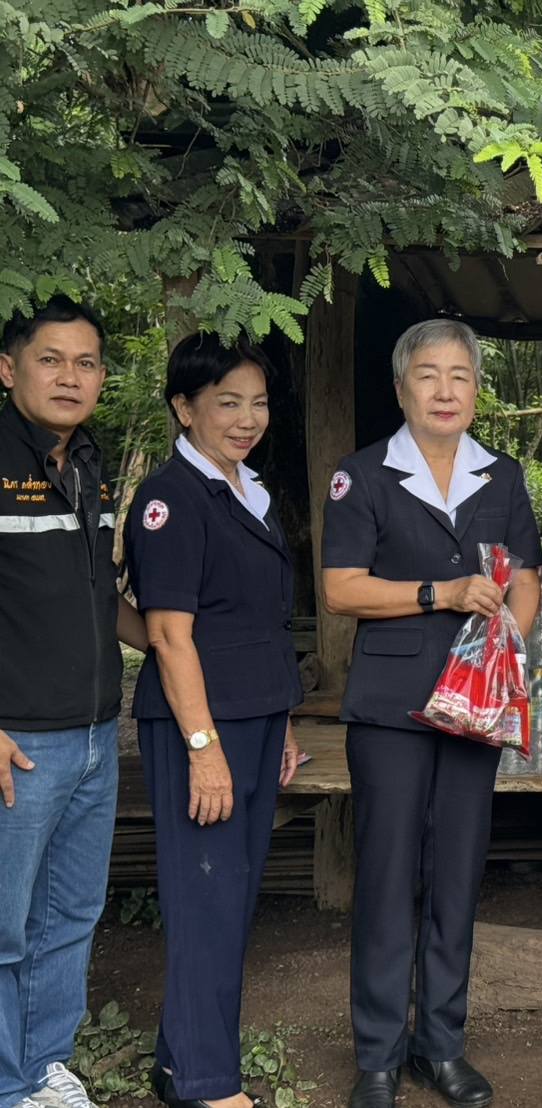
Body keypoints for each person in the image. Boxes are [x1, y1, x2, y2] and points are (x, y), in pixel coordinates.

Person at [321, 319, 542, 1108]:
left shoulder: (503, 476)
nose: (445, 390)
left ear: (477, 390)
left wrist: (509, 636)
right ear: (401, 387)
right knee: (384, 879)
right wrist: (438, 595)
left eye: (460, 376)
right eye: (428, 375)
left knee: (455, 874)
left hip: (475, 707)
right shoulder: (363, 475)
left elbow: (527, 577)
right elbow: (341, 588)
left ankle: (440, 1046)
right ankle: (378, 1055)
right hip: (392, 706)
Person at [124, 334, 303, 1108]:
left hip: (257, 718)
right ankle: (206, 1084)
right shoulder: (172, 499)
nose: (246, 418)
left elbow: (253, 624)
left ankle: (179, 1064)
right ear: (184, 407)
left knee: (229, 891)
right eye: (226, 402)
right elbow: (166, 634)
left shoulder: (248, 491)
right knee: (205, 896)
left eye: (257, 403)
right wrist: (203, 748)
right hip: (205, 728)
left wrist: (284, 721)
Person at [0, 297, 148, 1108]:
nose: (70, 376)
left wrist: (167, 640)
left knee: (70, 914)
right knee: (3, 923)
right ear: (8, 368)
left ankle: (42, 1064)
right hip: (20, 737)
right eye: (51, 358)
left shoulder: (87, 459)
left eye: (86, 362)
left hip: (94, 730)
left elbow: (97, 595)